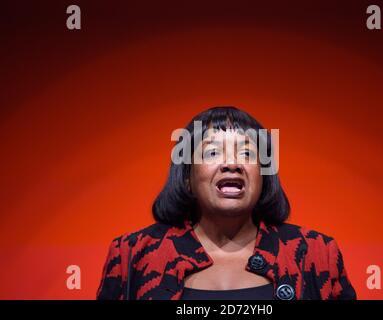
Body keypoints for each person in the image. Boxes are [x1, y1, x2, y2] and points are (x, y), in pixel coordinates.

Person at [97, 106, 357, 300]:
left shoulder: (316, 253)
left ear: (264, 175)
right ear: (187, 176)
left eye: (246, 153)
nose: (232, 163)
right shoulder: (132, 254)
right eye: (212, 152)